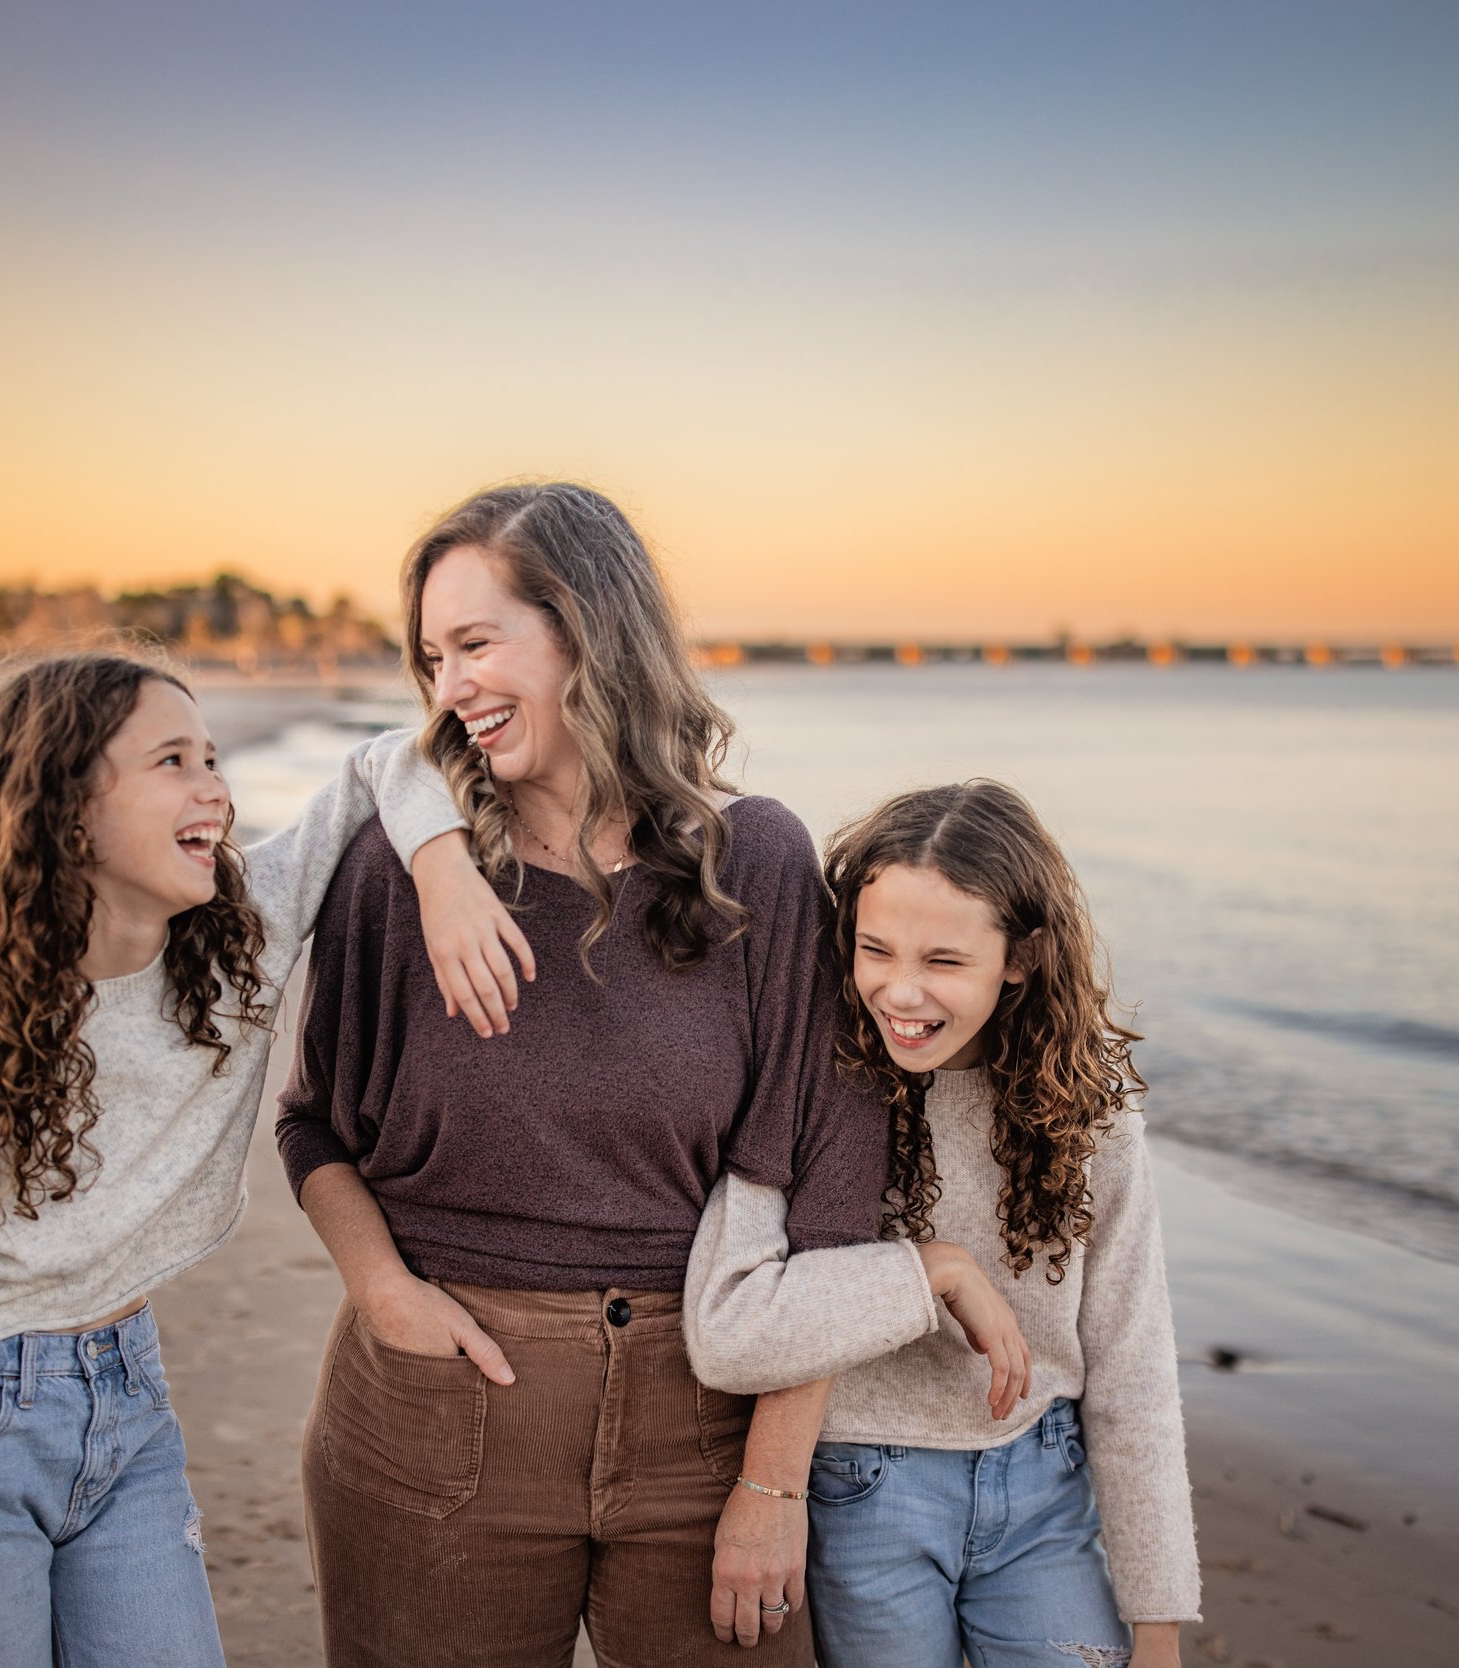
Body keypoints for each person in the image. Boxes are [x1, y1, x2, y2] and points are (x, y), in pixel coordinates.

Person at [274, 483, 1026, 1668]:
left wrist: (774, 1486)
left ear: (590, 630)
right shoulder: (397, 871)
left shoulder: (757, 863)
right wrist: (381, 1292)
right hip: (435, 1410)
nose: (450, 685)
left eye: (478, 643)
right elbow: (313, 1125)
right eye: (431, 656)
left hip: (706, 1414)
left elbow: (833, 1189)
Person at [0, 649, 532, 1668]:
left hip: (128, 1401)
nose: (215, 788)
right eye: (172, 761)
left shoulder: (239, 937)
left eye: (213, 756)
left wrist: (441, 872)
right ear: (67, 810)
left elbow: (381, 764)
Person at [685, 781, 1200, 1668]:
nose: (901, 991)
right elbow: (733, 1330)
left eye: (945, 962)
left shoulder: (1088, 1101)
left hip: (1045, 1484)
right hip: (865, 1487)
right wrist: (931, 1270)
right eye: (874, 949)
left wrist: (1156, 1625)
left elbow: (1134, 1365)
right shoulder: (816, 1082)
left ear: (1022, 957)